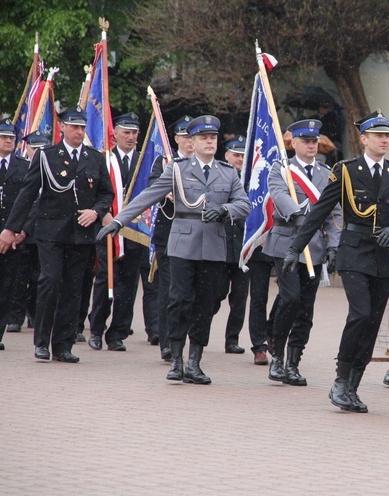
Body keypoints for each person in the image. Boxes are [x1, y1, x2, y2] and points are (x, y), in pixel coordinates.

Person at [284, 110, 389, 413]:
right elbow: (319, 212)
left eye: (387, 135)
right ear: (363, 139)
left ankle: (353, 386)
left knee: (372, 322)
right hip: (353, 252)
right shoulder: (345, 170)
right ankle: (340, 380)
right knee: (360, 314)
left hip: (382, 256)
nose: (384, 140)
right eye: (378, 135)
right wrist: (295, 248)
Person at [99, 115, 251, 384]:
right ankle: (177, 359)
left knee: (206, 304)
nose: (209, 142)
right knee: (179, 301)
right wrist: (120, 221)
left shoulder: (228, 172)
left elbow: (244, 204)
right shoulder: (178, 169)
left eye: (213, 138)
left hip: (214, 246)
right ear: (191, 142)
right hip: (182, 244)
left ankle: (195, 362)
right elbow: (149, 195)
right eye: (203, 138)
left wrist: (224, 209)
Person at [0, 106, 114, 363]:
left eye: (83, 127)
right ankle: (41, 342)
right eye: (74, 127)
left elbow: (106, 193)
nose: (79, 132)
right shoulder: (47, 155)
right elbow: (27, 194)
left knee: (73, 288)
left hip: (81, 234)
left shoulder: (95, 158)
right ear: (63, 127)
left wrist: (96, 212)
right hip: (50, 231)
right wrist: (11, 228)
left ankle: (63, 344)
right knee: (50, 281)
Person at [266, 119, 341, 386]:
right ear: (293, 143)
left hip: (314, 247)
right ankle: (276, 355)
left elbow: (335, 212)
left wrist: (334, 245)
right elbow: (278, 193)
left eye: (314, 141)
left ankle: (294, 362)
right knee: (291, 299)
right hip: (285, 241)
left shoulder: (327, 173)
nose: (311, 145)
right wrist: (297, 213)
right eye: (306, 141)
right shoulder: (281, 169)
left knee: (306, 308)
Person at [88, 111, 150, 352]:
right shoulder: (104, 159)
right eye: (127, 132)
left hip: (134, 231)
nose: (131, 137)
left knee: (128, 284)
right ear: (116, 134)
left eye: (135, 133)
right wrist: (104, 214)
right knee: (105, 279)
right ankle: (96, 329)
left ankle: (117, 333)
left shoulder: (144, 161)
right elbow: (97, 192)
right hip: (108, 228)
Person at [218, 136, 269, 364]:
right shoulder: (220, 175)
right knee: (215, 293)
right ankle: (196, 328)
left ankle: (232, 339)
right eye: (235, 155)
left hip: (245, 248)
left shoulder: (252, 179)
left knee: (240, 296)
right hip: (222, 245)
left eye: (242, 155)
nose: (239, 159)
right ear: (226, 155)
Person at [0, 120, 32, 350]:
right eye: (3, 136)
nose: (8, 140)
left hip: (13, 237)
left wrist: (23, 229)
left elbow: (34, 201)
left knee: (4, 288)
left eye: (11, 137)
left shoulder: (24, 167)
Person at [149, 115, 194, 361]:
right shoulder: (165, 161)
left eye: (192, 137)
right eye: (185, 137)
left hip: (195, 237)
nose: (189, 142)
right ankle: (167, 343)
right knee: (169, 291)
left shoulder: (203, 165)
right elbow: (152, 185)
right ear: (176, 139)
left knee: (191, 292)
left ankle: (186, 336)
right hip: (168, 234)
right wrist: (168, 190)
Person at [7, 133, 50, 333]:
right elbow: (21, 201)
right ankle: (15, 316)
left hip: (40, 230)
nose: (39, 152)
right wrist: (17, 228)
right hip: (20, 231)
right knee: (19, 276)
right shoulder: (22, 168)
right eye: (35, 149)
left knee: (38, 277)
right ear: (28, 149)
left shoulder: (52, 168)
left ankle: (34, 314)